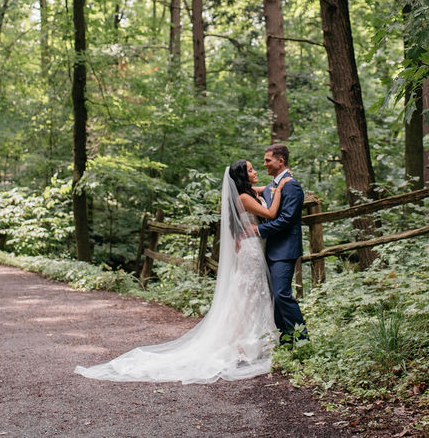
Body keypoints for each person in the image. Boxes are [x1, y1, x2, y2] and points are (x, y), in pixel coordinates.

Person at [74, 160, 288, 384]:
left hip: (251, 248)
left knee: (250, 296)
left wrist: (274, 184)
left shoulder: (247, 192)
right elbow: (272, 214)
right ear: (243, 177)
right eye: (251, 170)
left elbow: (263, 189)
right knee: (249, 296)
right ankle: (243, 345)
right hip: (250, 251)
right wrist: (281, 189)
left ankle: (252, 342)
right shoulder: (244, 198)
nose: (255, 172)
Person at [256, 143, 308, 345]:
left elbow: (286, 219)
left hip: (285, 250)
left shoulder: (292, 185)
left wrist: (259, 230)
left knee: (281, 294)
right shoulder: (273, 185)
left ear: (281, 161)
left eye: (268, 160)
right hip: (272, 250)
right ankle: (287, 342)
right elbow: (256, 192)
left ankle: (303, 341)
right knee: (275, 298)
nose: (265, 164)